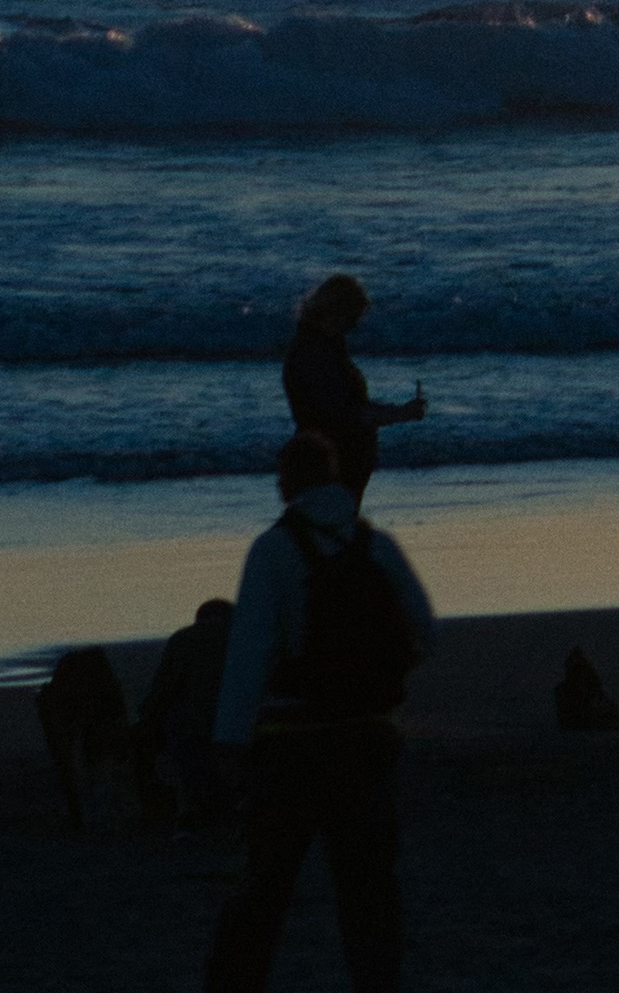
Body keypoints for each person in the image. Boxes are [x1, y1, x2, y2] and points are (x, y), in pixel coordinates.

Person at [208, 428, 436, 993]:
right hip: (367, 739)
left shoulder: (275, 549)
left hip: (292, 743)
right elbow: (425, 633)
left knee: (265, 889)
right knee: (368, 889)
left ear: (287, 481)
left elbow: (249, 653)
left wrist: (229, 741)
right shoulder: (376, 545)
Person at [280, 274, 428, 493]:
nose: (354, 326)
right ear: (336, 312)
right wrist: (400, 413)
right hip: (331, 463)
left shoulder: (320, 349)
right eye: (352, 317)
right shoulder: (314, 355)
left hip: (333, 461)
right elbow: (346, 413)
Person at [135, 594, 240, 829]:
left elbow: (163, 689)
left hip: (193, 730)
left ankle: (174, 808)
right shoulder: (244, 637)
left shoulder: (183, 639)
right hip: (243, 725)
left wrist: (147, 719)